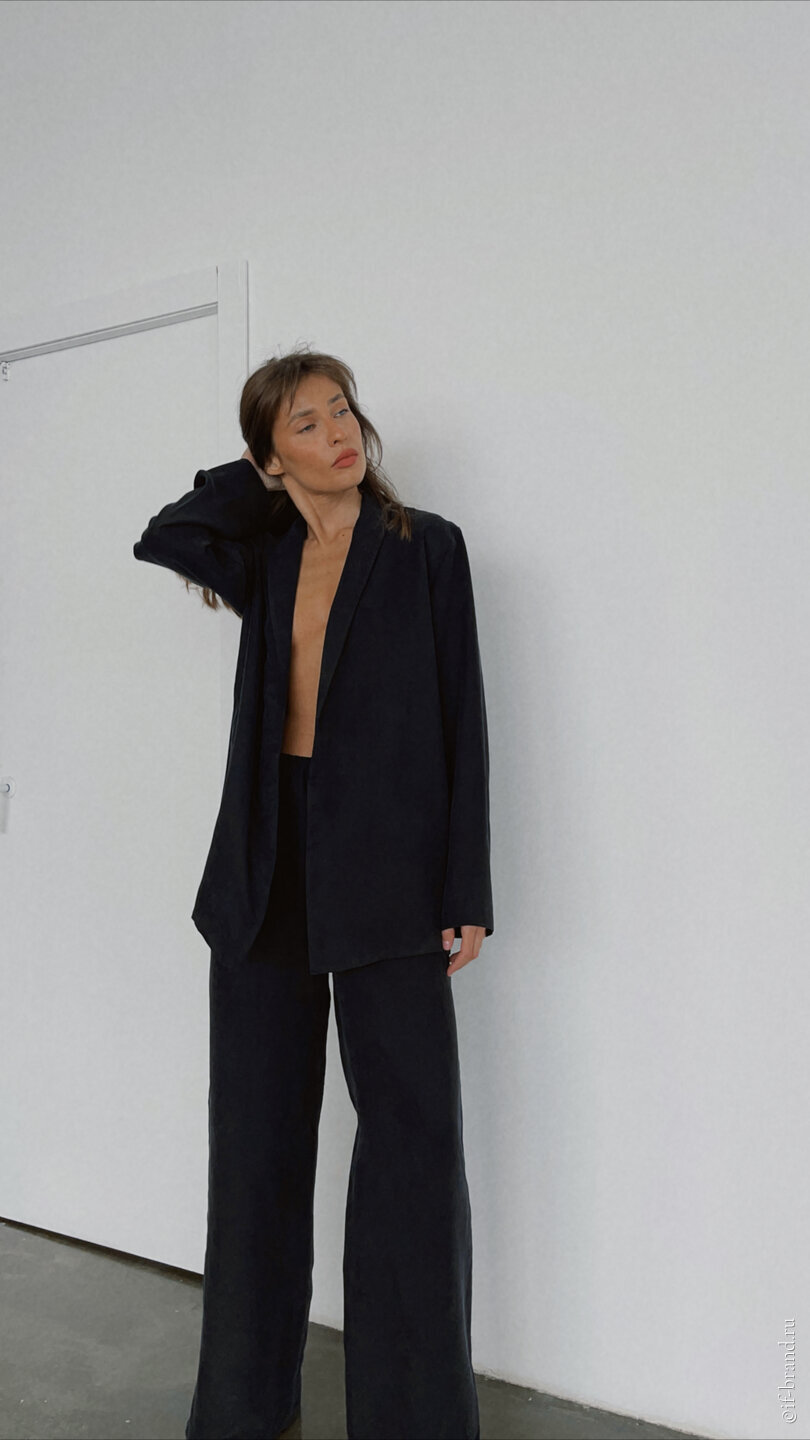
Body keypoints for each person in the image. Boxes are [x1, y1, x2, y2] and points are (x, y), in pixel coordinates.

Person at [133, 346, 494, 1440]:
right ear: (270, 456)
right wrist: (262, 482)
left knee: (412, 1154)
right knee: (255, 1149)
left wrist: (466, 886)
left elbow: (464, 717)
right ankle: (244, 1413)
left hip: (391, 874)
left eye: (342, 411)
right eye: (306, 424)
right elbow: (167, 532)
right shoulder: (264, 553)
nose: (340, 434)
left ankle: (414, 1420)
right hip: (264, 868)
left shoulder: (426, 548)